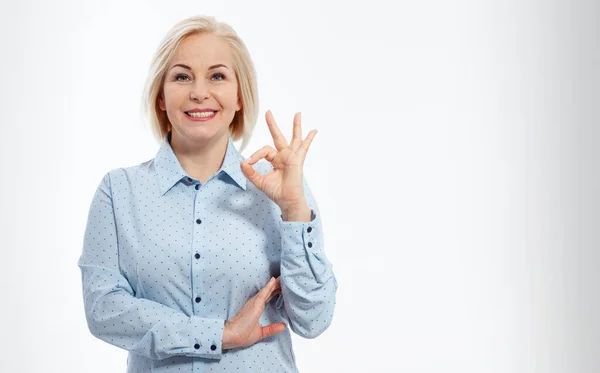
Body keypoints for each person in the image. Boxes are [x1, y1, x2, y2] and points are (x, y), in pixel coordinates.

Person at [77, 14, 338, 373]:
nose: (199, 92)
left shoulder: (279, 188)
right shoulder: (119, 191)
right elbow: (104, 309)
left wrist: (294, 210)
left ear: (239, 97)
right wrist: (220, 333)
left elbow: (314, 319)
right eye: (182, 76)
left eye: (217, 76)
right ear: (162, 98)